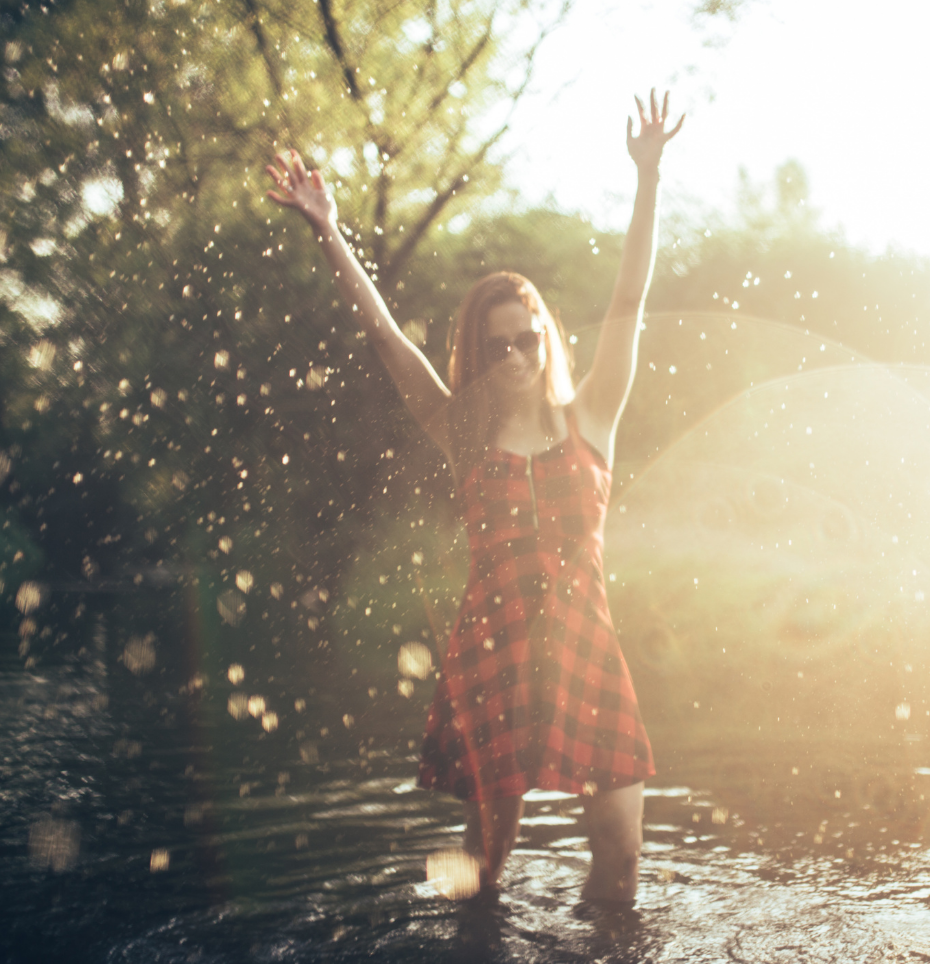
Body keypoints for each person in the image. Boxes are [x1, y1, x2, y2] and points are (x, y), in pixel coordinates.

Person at [264, 90, 684, 904]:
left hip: (585, 648)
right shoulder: (462, 433)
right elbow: (386, 336)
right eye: (499, 346)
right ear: (481, 355)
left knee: (622, 859)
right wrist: (328, 232)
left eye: (528, 337)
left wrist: (648, 179)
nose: (518, 354)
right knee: (488, 869)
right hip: (493, 653)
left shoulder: (592, 415)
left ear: (545, 335)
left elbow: (629, 300)